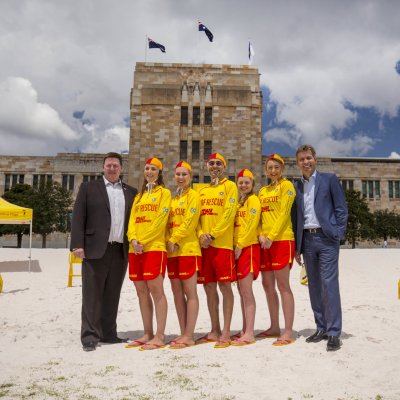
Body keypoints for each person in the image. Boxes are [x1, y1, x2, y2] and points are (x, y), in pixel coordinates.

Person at [71, 152, 137, 352]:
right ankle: (90, 337)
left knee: (112, 293)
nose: (112, 168)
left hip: (120, 250)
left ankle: (108, 333)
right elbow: (78, 216)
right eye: (108, 165)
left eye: (115, 165)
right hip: (94, 249)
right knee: (92, 294)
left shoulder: (131, 192)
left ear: (121, 169)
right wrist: (77, 244)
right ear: (103, 167)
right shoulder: (89, 188)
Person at [292, 144, 348, 352]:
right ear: (297, 163)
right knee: (314, 285)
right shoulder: (297, 186)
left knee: (329, 284)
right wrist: (297, 247)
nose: (306, 162)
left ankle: (334, 332)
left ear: (315, 159)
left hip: (326, 239)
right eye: (302, 160)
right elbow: (296, 217)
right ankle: (321, 327)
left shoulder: (329, 180)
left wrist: (338, 233)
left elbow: (341, 209)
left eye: (309, 158)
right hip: (307, 240)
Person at [126, 157, 171, 351]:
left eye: (153, 169)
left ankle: (160, 336)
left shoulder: (165, 193)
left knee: (156, 290)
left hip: (154, 248)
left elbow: (161, 220)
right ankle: (147, 332)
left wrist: (143, 241)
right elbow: (132, 222)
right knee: (141, 291)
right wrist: (133, 240)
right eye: (147, 169)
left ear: (159, 172)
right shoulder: (139, 196)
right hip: (135, 249)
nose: (150, 172)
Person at [196, 153, 238, 349]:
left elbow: (229, 214)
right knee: (209, 288)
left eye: (218, 163)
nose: (214, 166)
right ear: (206, 166)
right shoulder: (201, 190)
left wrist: (212, 235)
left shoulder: (230, 186)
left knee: (225, 288)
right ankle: (214, 329)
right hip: (204, 247)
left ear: (224, 166)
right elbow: (196, 217)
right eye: (211, 163)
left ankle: (227, 332)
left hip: (222, 245)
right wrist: (201, 235)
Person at [258, 154, 296, 346]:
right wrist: (260, 235)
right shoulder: (263, 191)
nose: (273, 171)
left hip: (281, 240)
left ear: (282, 169)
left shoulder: (287, 186)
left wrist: (272, 236)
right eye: (270, 167)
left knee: (283, 286)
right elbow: (257, 217)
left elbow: (283, 213)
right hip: (265, 242)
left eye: (276, 167)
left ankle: (287, 331)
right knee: (267, 285)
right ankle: (274, 326)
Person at [166, 161, 201, 349]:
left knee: (190, 292)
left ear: (190, 176)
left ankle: (189, 334)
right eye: (178, 174)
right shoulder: (172, 199)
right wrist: (167, 241)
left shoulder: (194, 196)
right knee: (177, 293)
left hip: (188, 249)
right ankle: (183, 332)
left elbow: (190, 222)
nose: (180, 177)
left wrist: (175, 239)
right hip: (172, 253)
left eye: (184, 174)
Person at [231, 169, 261, 347]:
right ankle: (244, 329)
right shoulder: (239, 202)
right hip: (238, 248)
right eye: (240, 182)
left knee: (247, 290)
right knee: (241, 290)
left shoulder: (253, 200)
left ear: (252, 184)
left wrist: (241, 244)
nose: (243, 185)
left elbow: (251, 224)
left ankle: (249, 332)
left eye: (246, 182)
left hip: (248, 248)